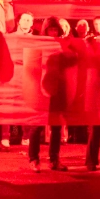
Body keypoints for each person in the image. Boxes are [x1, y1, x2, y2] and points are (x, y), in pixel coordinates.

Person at [30, 19, 67, 172]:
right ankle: (33, 158)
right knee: (37, 125)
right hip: (42, 86)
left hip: (58, 88)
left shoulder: (61, 45)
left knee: (56, 125)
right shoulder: (39, 45)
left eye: (55, 29)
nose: (53, 32)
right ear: (46, 30)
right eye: (50, 29)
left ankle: (54, 158)